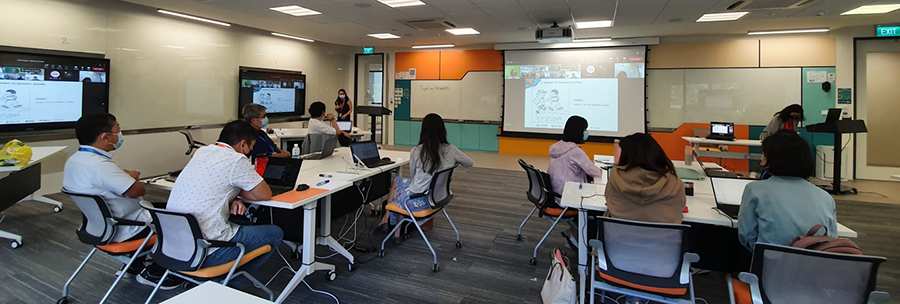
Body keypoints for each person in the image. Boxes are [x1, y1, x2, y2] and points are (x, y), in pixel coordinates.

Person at [63, 113, 179, 289]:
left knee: (162, 209)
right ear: (105, 137)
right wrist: (132, 176)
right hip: (128, 227)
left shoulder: (76, 160)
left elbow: (117, 176)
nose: (120, 134)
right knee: (181, 220)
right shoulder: (100, 166)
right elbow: (137, 190)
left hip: (98, 227)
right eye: (117, 129)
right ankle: (155, 273)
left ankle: (134, 264)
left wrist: (129, 176)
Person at [166, 120, 283, 287]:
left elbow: (212, 183)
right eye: (251, 146)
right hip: (206, 250)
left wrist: (233, 195)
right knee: (274, 233)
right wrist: (236, 191)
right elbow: (264, 194)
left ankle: (212, 280)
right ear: (243, 144)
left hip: (172, 247)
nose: (250, 151)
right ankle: (227, 284)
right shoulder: (235, 160)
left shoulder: (201, 152)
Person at [604, 133, 686, 304]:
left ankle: (634, 295)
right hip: (664, 263)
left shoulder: (615, 177)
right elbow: (679, 214)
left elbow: (609, 203)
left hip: (617, 257)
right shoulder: (675, 183)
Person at [374, 113, 474, 244]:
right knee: (397, 181)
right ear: (442, 130)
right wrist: (452, 165)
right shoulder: (451, 149)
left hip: (418, 201)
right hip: (438, 197)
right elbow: (469, 163)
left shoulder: (417, 150)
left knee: (400, 193)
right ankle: (387, 222)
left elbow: (414, 175)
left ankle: (393, 229)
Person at [738, 130, 837, 250]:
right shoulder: (825, 197)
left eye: (763, 154)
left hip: (771, 262)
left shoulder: (755, 190)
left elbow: (746, 236)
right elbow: (832, 238)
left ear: (771, 159)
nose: (761, 158)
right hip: (815, 264)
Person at [548, 116, 605, 246]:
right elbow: (595, 172)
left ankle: (573, 231)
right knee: (598, 207)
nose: (586, 133)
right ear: (578, 131)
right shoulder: (575, 151)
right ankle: (583, 242)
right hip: (568, 196)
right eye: (585, 130)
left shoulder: (557, 147)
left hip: (557, 191)